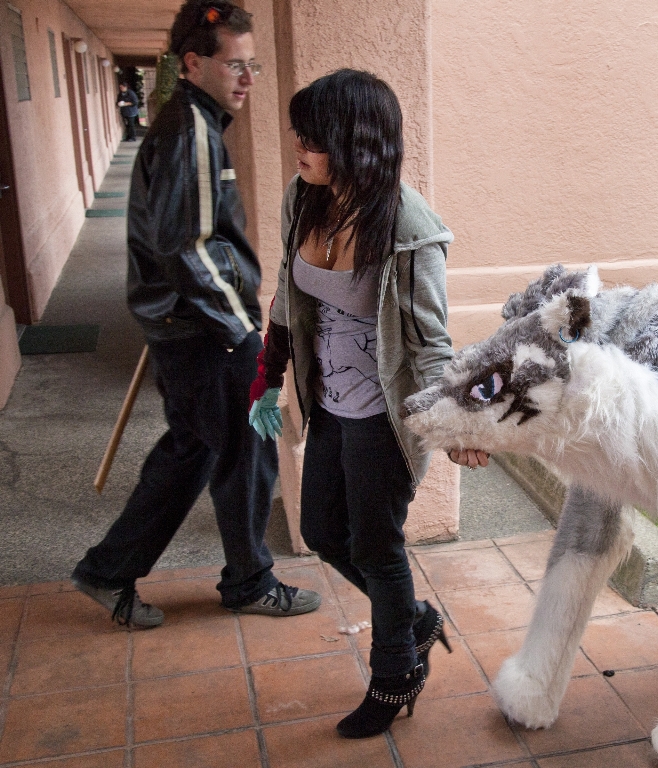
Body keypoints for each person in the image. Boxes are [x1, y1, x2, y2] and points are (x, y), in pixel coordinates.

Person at [248, 69, 488, 739]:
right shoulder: (305, 198)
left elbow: (431, 343)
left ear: (356, 142)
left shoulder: (410, 229)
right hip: (326, 402)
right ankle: (410, 619)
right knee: (324, 532)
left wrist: (457, 420)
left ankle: (394, 674)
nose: (300, 144)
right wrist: (270, 376)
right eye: (300, 131)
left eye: (314, 135)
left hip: (384, 414)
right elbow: (287, 297)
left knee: (379, 548)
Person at [71, 0, 320, 629]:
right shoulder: (192, 133)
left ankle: (109, 570)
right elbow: (190, 247)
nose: (248, 78)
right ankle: (249, 581)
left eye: (253, 64)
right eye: (234, 64)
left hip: (185, 330)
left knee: (193, 451)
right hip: (208, 334)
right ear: (192, 63)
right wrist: (242, 331)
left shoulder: (192, 124)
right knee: (250, 446)